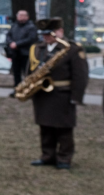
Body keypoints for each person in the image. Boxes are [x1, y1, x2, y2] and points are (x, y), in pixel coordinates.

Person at [27, 18, 89, 169]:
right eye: (44, 34)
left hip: (63, 94)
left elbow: (80, 75)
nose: (46, 37)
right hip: (42, 94)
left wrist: (76, 97)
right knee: (45, 127)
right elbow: (30, 69)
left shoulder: (72, 49)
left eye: (49, 34)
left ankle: (64, 158)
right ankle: (47, 155)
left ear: (60, 32)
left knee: (64, 128)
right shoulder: (38, 48)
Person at [5, 10, 38, 97]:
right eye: (20, 15)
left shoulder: (31, 27)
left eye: (23, 15)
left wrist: (17, 44)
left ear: (27, 17)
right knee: (16, 73)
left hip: (26, 54)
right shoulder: (14, 26)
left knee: (27, 73)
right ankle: (17, 89)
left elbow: (31, 38)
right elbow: (8, 36)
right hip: (15, 53)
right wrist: (11, 43)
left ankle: (28, 90)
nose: (21, 17)